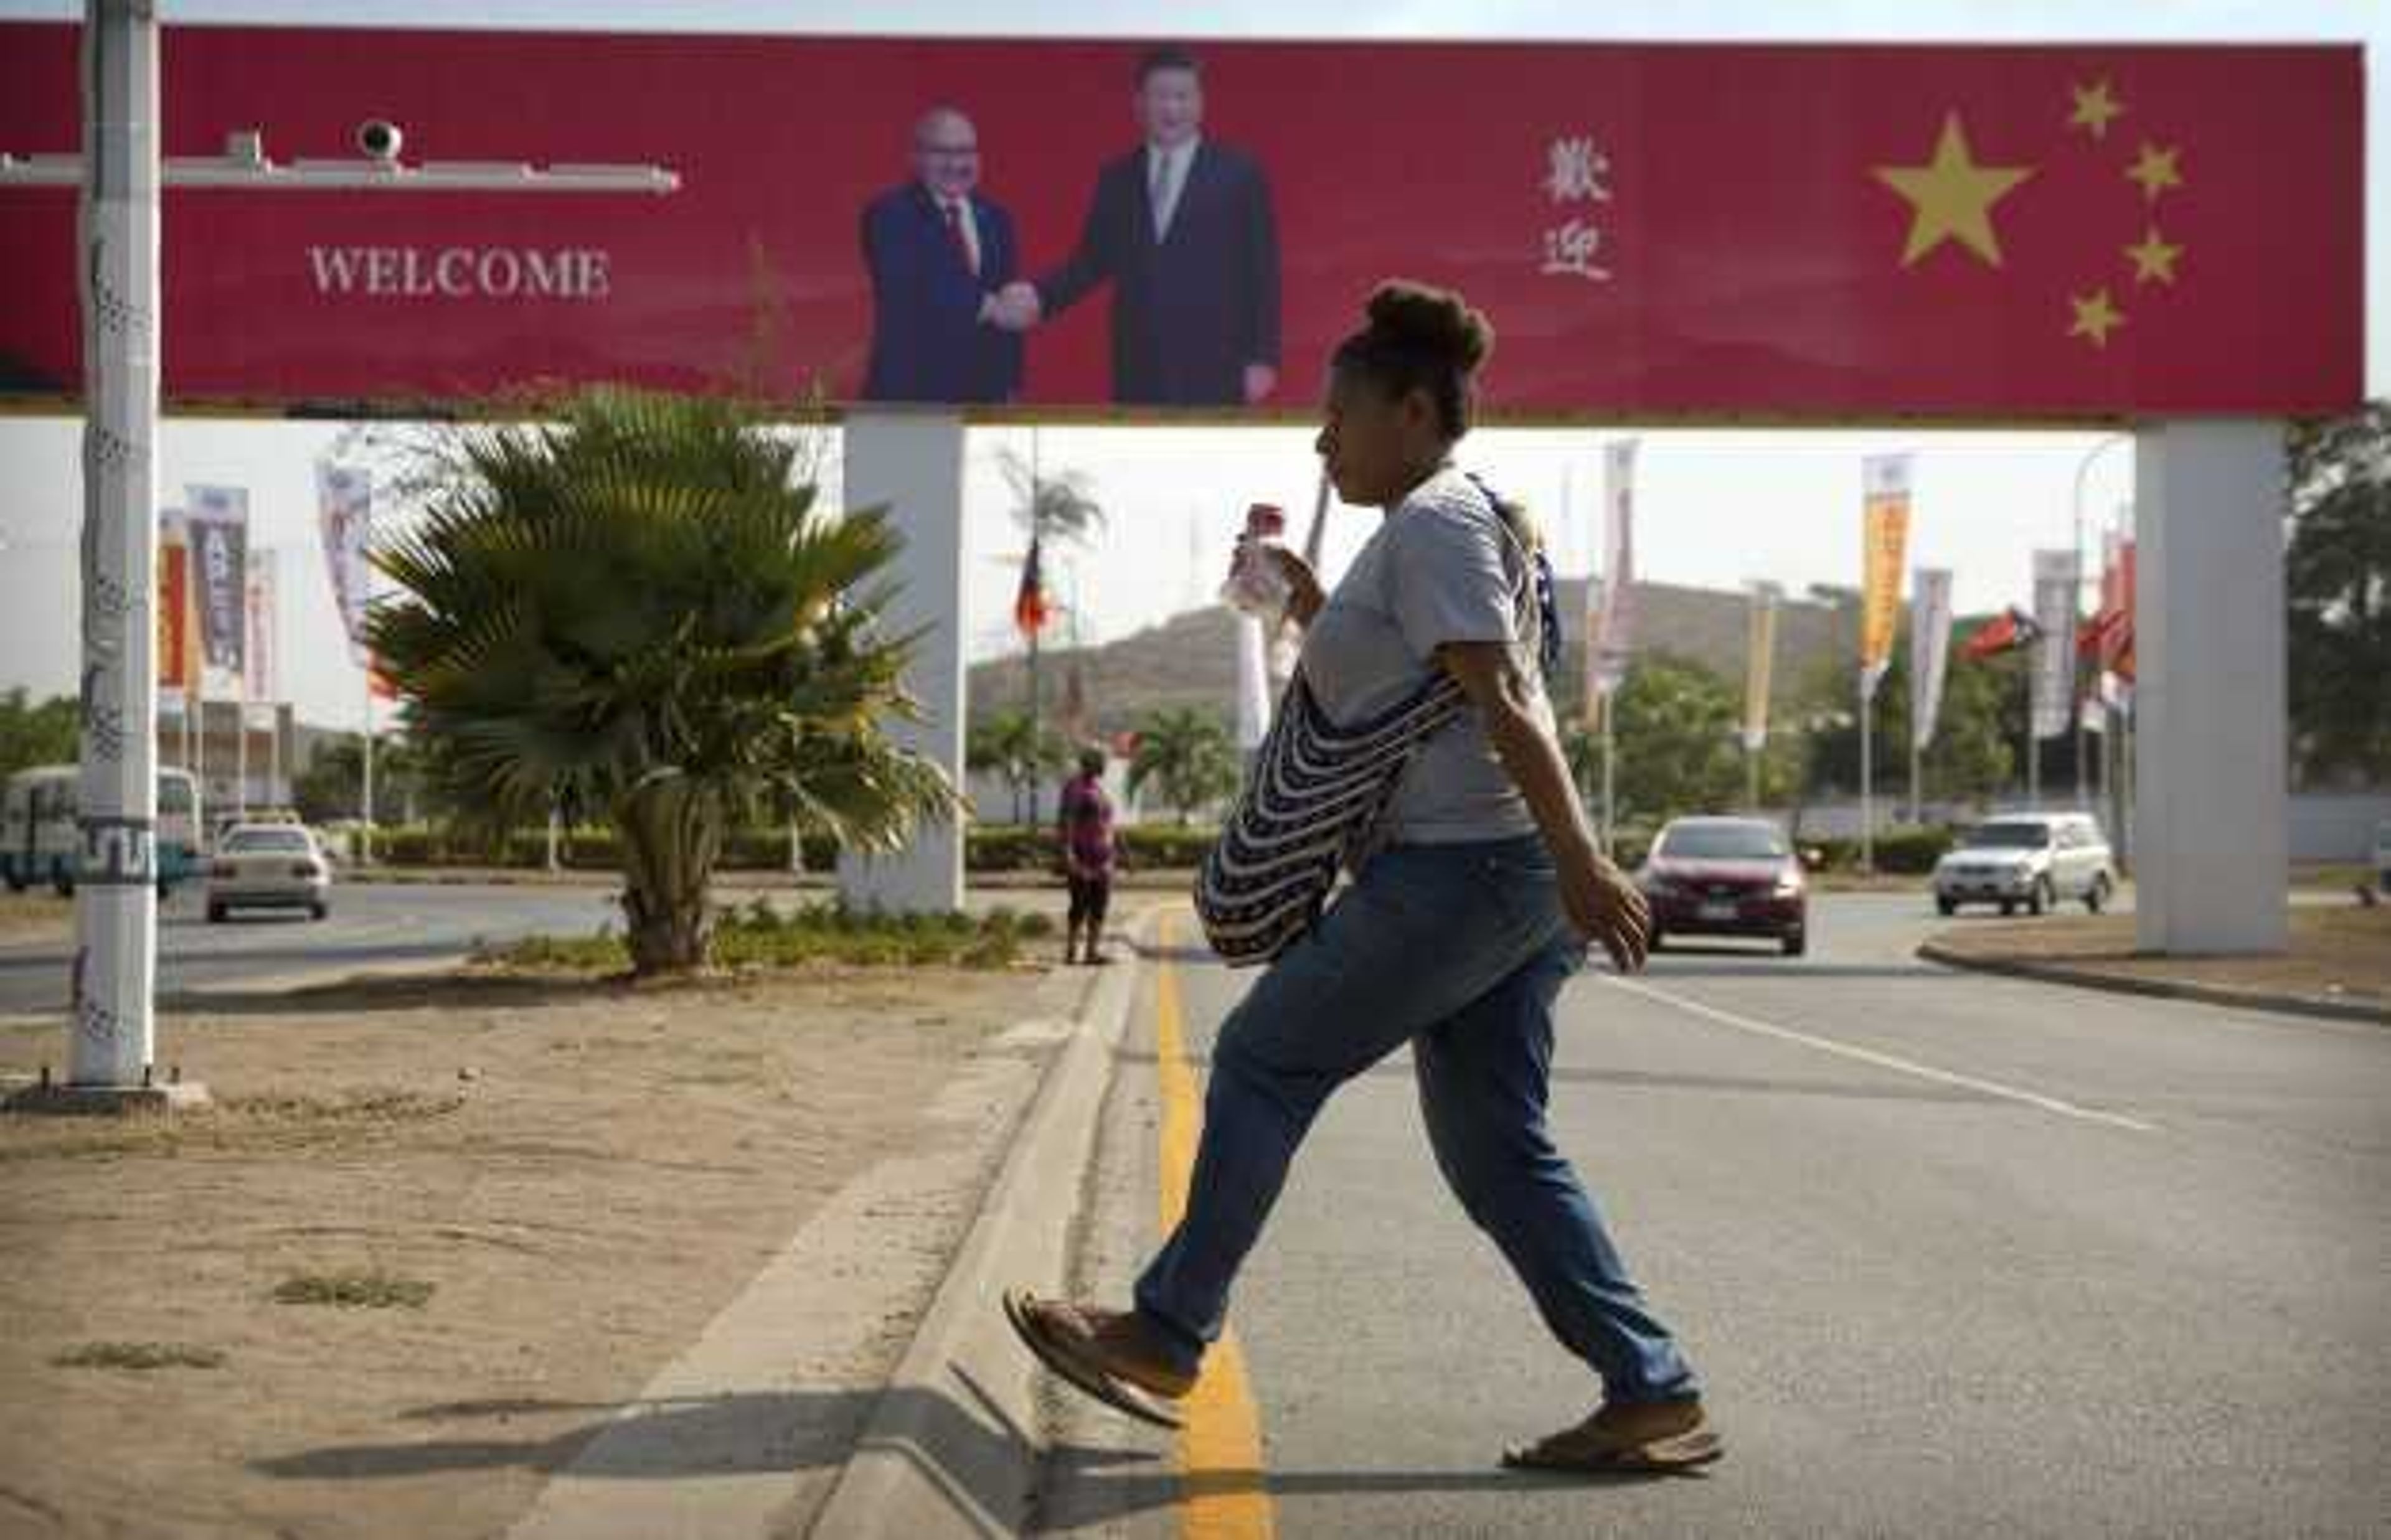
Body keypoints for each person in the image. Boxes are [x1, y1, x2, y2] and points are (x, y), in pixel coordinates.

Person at [1006, 281, 1720, 1473]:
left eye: (1339, 414)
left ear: (1410, 408)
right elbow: (1426, 691)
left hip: (1467, 873)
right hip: (1503, 878)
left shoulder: (1436, 520)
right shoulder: (1456, 522)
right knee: (1496, 1144)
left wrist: (1582, 860)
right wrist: (1310, 604)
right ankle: (1650, 1387)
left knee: (1264, 1056)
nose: (1322, 439)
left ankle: (1169, 1328)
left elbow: (1502, 703)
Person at [989, 47, 1280, 408]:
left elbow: (1261, 271)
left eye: (1182, 96)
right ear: (1139, 104)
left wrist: (1262, 358)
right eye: (1161, 96)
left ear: (1200, 101)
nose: (1172, 109)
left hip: (1216, 363)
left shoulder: (1238, 173)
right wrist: (1039, 296)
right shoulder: (1117, 178)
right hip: (1138, 364)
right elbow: (1091, 262)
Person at [859, 106, 1024, 403]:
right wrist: (989, 305)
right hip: (911, 402)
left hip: (986, 400)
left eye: (966, 151)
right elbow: (917, 287)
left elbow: (1008, 305)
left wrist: (1012, 385)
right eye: (942, 152)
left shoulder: (998, 219)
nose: (956, 163)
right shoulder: (890, 214)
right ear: (916, 158)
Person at [1056, 747, 1119, 965]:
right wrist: (1069, 853)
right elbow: (1066, 821)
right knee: (1079, 905)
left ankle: (1092, 952)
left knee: (1099, 906)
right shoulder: (1075, 788)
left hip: (1103, 862)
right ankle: (1071, 950)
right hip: (1083, 857)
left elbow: (1109, 824)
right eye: (1101, 762)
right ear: (1089, 763)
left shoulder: (1098, 789)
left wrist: (1122, 853)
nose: (1105, 766)